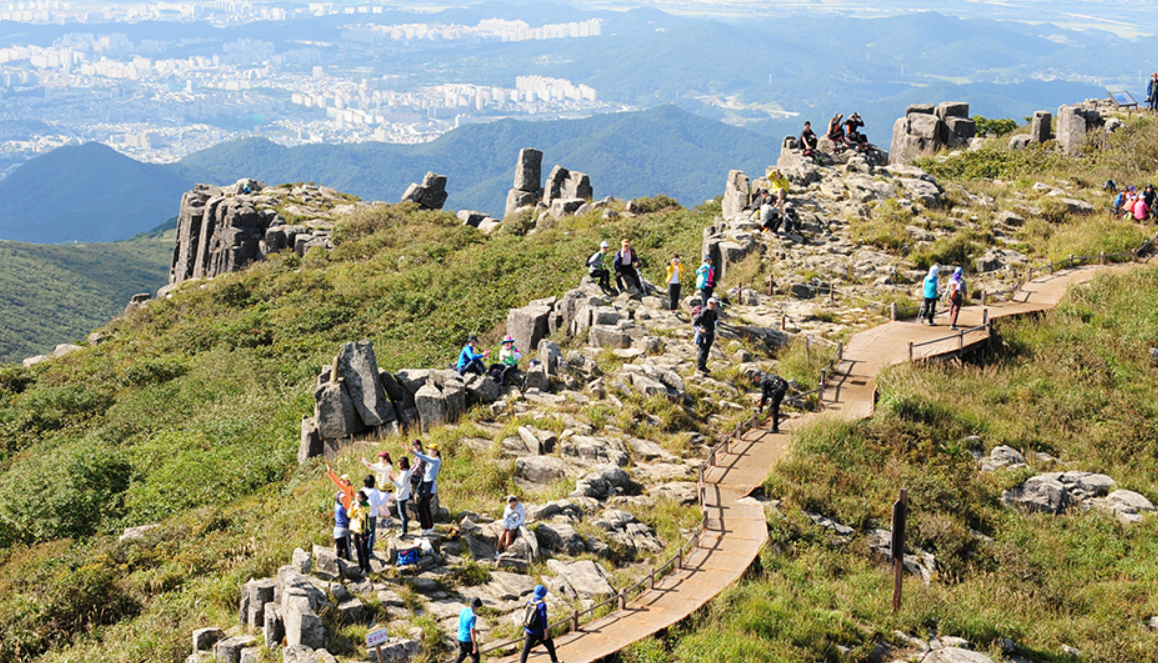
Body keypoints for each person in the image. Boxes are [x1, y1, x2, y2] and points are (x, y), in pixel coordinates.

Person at [406, 439, 442, 536]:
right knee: (424, 507)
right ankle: (426, 526)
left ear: (436, 451)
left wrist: (413, 452)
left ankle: (429, 527)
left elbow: (425, 458)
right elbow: (425, 458)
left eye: (432, 450)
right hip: (424, 485)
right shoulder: (431, 459)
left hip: (430, 488)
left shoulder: (436, 460)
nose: (430, 451)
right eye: (429, 449)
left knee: (423, 507)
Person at [519, 585, 560, 663]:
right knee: (550, 646)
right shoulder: (542, 605)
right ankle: (554, 661)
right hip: (539, 632)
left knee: (525, 651)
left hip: (529, 630)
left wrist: (525, 629)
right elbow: (543, 619)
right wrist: (545, 632)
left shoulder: (530, 602)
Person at [349, 489, 372, 574]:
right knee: (358, 549)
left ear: (362, 498)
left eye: (359, 497)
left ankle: (366, 568)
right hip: (356, 530)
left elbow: (364, 517)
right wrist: (352, 508)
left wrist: (360, 509)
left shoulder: (366, 505)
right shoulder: (355, 504)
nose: (357, 499)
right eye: (356, 497)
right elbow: (349, 515)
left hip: (363, 530)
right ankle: (360, 566)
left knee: (364, 550)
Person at [362, 475, 385, 557]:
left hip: (363, 513)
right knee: (372, 532)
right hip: (372, 514)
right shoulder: (375, 492)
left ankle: (363, 549)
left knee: (363, 531)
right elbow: (378, 503)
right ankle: (369, 551)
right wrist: (385, 497)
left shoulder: (362, 490)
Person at [694, 297, 719, 374]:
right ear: (707, 304)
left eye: (713, 304)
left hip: (710, 333)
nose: (711, 305)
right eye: (710, 304)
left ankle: (703, 366)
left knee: (707, 350)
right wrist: (700, 329)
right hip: (703, 334)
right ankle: (700, 367)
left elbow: (715, 320)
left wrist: (713, 327)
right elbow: (696, 322)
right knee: (702, 350)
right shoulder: (704, 311)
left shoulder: (714, 312)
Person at [390, 456, 413, 537]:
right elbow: (402, 481)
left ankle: (404, 530)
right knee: (402, 513)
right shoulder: (408, 471)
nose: (398, 465)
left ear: (402, 464)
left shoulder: (404, 474)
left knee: (402, 514)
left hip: (401, 495)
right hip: (406, 493)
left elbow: (400, 485)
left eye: (399, 463)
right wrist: (396, 476)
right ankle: (404, 528)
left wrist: (393, 480)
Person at [454, 597, 483, 663]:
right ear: (476, 607)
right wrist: (474, 644)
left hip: (460, 637)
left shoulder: (463, 610)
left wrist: (475, 630)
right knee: (476, 658)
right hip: (467, 639)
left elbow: (464, 622)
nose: (479, 608)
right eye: (479, 607)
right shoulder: (473, 616)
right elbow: (472, 630)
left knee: (462, 655)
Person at [332, 491, 351, 561]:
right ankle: (351, 564)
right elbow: (348, 516)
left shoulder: (336, 507)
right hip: (343, 529)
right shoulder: (341, 508)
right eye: (342, 498)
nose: (343, 499)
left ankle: (337, 563)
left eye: (344, 498)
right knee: (347, 549)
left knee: (339, 549)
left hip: (337, 530)